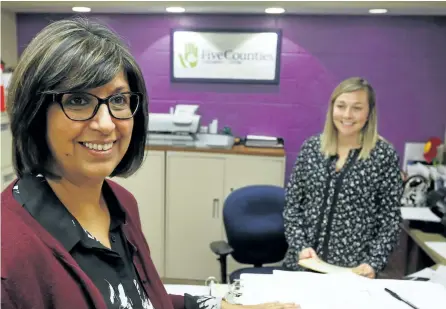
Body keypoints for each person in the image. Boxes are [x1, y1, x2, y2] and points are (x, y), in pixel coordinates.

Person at [1, 18, 299, 309]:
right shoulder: (10, 251)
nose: (106, 124)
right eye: (78, 101)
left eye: (118, 101)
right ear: (35, 113)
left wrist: (224, 307)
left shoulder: (121, 203)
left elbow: (143, 300)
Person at [282, 77, 403, 278]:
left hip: (353, 271)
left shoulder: (383, 155)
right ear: (332, 109)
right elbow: (292, 206)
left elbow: (390, 220)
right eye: (341, 106)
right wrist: (300, 246)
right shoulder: (312, 148)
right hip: (303, 265)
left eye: (357, 108)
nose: (347, 115)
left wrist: (373, 262)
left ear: (369, 113)